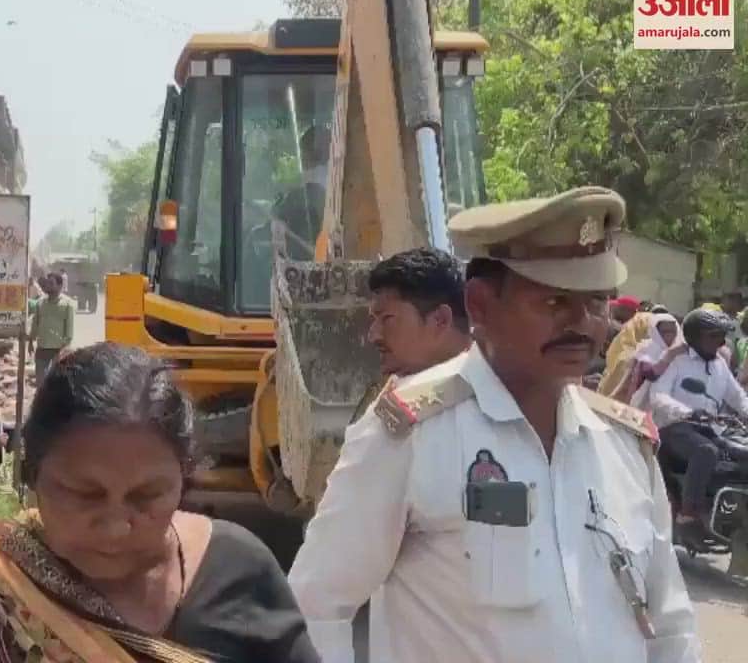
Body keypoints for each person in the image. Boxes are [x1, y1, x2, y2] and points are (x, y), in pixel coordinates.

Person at [289, 186, 699, 663]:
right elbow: (317, 607)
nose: (582, 323)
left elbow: (670, 627)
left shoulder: (626, 447)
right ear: (481, 306)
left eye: (595, 302)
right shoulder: (412, 435)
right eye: (554, 303)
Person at [0, 343, 320, 663]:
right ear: (32, 476)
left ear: (185, 481)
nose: (116, 526)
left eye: (147, 496)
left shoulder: (241, 572)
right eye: (84, 494)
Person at [648, 308, 748, 543]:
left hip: (710, 429)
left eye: (721, 336)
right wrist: (687, 411)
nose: (720, 342)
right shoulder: (677, 361)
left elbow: (737, 397)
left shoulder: (720, 365)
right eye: (713, 336)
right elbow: (658, 395)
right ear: (695, 336)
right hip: (675, 428)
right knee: (706, 451)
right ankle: (687, 516)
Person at [367, 247, 471, 378]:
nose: (373, 336)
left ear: (440, 320)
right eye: (375, 319)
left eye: (387, 318)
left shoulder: (492, 394)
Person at [623, 312, 684, 408]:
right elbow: (651, 374)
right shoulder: (647, 349)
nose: (670, 336)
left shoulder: (680, 351)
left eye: (673, 331)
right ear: (655, 331)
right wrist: (670, 355)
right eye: (665, 332)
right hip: (644, 404)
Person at [29, 272, 76, 382]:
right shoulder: (40, 303)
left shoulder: (67, 304)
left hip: (58, 350)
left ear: (60, 286)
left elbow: (69, 331)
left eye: (51, 283)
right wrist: (31, 341)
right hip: (41, 349)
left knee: (56, 382)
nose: (47, 286)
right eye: (47, 283)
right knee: (40, 381)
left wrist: (63, 351)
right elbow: (35, 323)